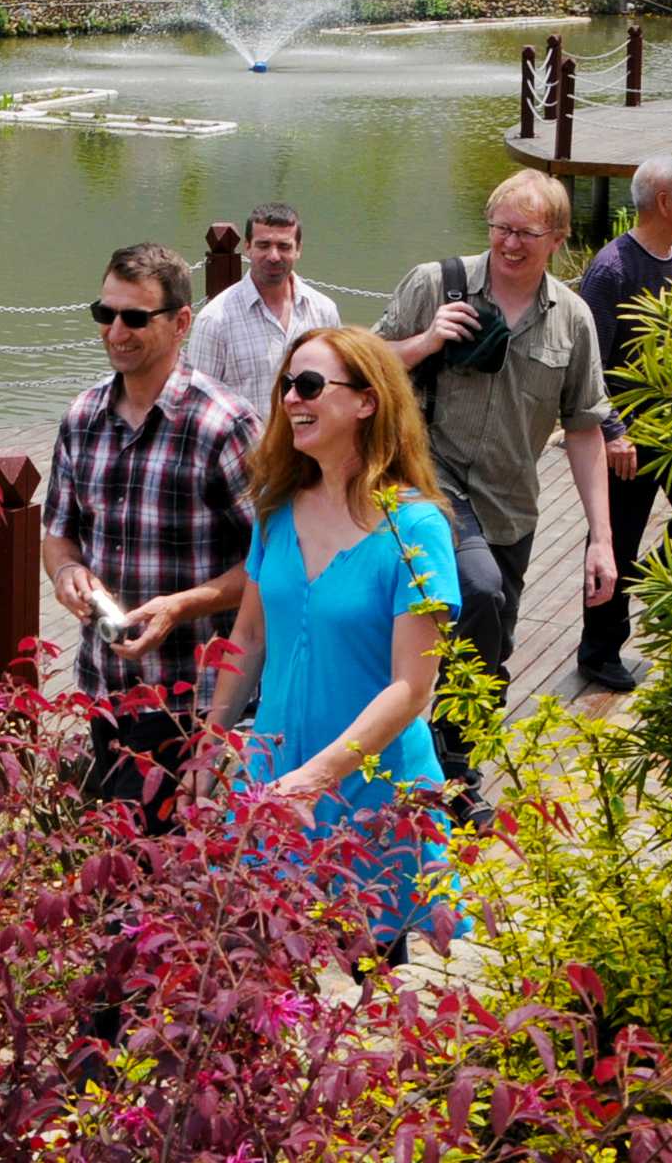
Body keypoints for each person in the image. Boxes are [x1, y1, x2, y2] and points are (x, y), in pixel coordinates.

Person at [194, 325, 459, 963]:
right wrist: (209, 747)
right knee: (251, 965)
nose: (290, 398)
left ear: (366, 401)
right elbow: (250, 636)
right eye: (287, 384)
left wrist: (317, 779)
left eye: (309, 384)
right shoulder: (277, 510)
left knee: (367, 973)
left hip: (369, 781)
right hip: (274, 771)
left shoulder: (416, 528)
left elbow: (412, 686)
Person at [375, 170, 617, 781]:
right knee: (478, 589)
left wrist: (603, 540)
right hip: (426, 480)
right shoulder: (437, 284)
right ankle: (439, 760)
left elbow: (584, 428)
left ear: (557, 237)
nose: (510, 244)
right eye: (501, 228)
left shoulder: (573, 318)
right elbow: (362, 363)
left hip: (512, 503)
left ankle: (456, 765)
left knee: (493, 648)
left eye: (526, 233)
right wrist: (426, 342)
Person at [42, 240, 260, 827]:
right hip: (106, 687)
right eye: (104, 314)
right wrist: (66, 572)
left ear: (181, 321)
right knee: (123, 866)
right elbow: (57, 533)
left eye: (135, 317)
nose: (116, 330)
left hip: (195, 696)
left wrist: (183, 607)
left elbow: (275, 561)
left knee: (178, 878)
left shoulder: (225, 424)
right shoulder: (82, 417)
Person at [573, 153, 672, 693]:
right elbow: (589, 364)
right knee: (616, 542)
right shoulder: (611, 270)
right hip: (628, 435)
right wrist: (613, 432)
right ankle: (598, 652)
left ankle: (659, 585)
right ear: (666, 202)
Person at [184, 202, 341, 415]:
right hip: (247, 447)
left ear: (298, 250)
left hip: (311, 445)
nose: (274, 256)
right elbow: (197, 406)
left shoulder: (324, 311)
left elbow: (337, 385)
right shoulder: (214, 320)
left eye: (284, 246)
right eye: (264, 245)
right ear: (247, 247)